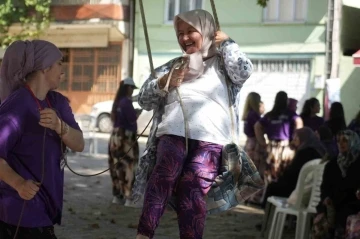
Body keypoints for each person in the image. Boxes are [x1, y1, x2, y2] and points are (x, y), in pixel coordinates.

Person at [129, 9, 253, 239]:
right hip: (172, 135)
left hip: (210, 142)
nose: (184, 38)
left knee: (192, 191)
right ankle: (144, 234)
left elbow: (244, 71)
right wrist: (163, 82)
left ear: (207, 32)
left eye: (190, 31)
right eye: (179, 33)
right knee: (164, 175)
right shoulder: (173, 66)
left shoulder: (224, 65)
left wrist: (228, 43)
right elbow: (144, 100)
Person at [0, 40, 84, 238]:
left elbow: (79, 144)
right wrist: (19, 183)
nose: (63, 71)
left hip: (47, 206)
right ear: (45, 68)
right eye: (59, 64)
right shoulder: (18, 104)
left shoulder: (57, 102)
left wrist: (60, 127)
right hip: (20, 211)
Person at [261, 127, 326, 208]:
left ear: (303, 138)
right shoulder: (320, 150)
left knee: (272, 187)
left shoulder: (303, 153)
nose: (294, 140)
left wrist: (282, 175)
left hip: (298, 188)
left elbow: (291, 174)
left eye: (296, 138)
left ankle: (267, 214)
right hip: (313, 189)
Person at [312, 130, 360, 238]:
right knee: (321, 218)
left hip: (353, 203)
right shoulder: (332, 164)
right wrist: (326, 199)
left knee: (344, 214)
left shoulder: (358, 163)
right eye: (338, 141)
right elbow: (324, 188)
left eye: (345, 141)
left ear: (353, 142)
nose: (340, 144)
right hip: (333, 203)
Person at [255, 91, 303, 187]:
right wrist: (295, 142)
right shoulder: (290, 114)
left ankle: (268, 192)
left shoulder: (270, 115)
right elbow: (299, 123)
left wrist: (263, 142)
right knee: (284, 171)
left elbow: (257, 126)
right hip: (287, 147)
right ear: (286, 101)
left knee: (270, 172)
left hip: (272, 146)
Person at [108, 77, 140, 204]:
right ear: (128, 88)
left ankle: (117, 195)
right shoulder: (126, 102)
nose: (132, 91)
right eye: (132, 88)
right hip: (126, 138)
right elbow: (132, 120)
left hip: (115, 137)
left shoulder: (117, 102)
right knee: (129, 166)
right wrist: (137, 113)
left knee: (116, 166)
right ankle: (128, 196)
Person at [242, 92, 267, 205]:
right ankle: (254, 198)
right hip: (255, 144)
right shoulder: (254, 115)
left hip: (249, 143)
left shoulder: (248, 114)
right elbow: (258, 130)